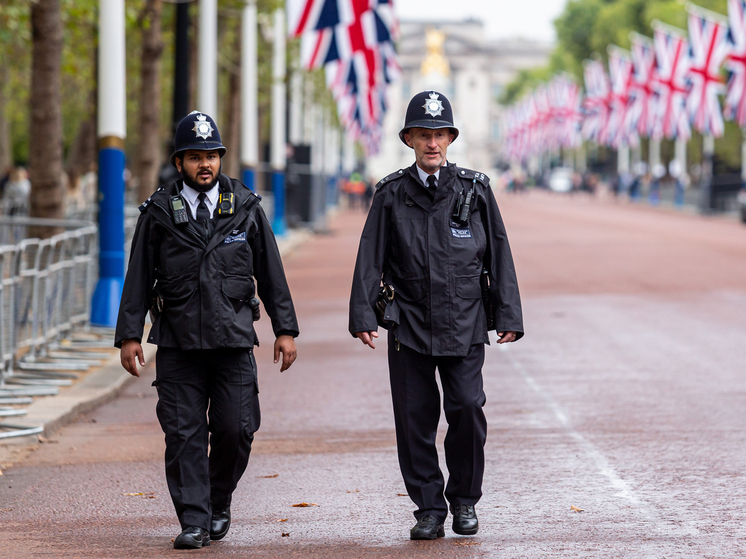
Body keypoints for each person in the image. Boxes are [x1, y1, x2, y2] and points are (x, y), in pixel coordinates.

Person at [115, 111, 299, 549]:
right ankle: (194, 520)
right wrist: (129, 335)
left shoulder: (247, 208)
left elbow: (272, 274)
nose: (204, 165)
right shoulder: (159, 212)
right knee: (183, 435)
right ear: (179, 162)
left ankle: (219, 500)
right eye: (194, 157)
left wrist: (285, 329)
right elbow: (137, 276)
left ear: (221, 159)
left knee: (237, 429)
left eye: (211, 157)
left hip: (233, 341)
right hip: (177, 342)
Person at [349, 91, 524, 541]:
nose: (432, 143)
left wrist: (507, 312)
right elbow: (370, 255)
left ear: (450, 138)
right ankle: (428, 507)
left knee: (467, 408)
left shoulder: (474, 189)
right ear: (409, 139)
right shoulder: (391, 194)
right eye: (423, 135)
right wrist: (363, 313)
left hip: (464, 320)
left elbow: (499, 253)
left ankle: (464, 501)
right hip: (408, 323)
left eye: (439, 134)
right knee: (414, 418)